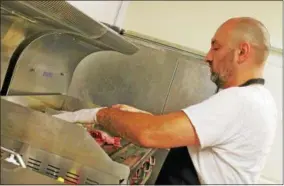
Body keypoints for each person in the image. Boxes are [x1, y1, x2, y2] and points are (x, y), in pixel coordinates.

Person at [53, 17, 278, 184]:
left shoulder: (241, 101)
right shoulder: (258, 100)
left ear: (242, 52)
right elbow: (190, 134)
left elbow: (150, 134)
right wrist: (141, 117)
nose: (208, 56)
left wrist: (99, 114)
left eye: (216, 47)